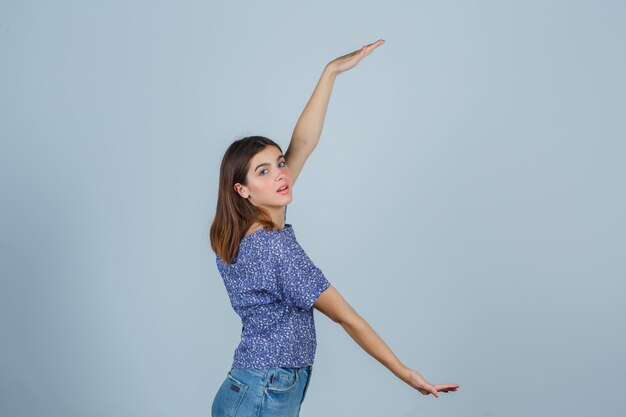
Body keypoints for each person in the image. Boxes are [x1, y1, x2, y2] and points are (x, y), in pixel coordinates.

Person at [209, 39, 459, 417]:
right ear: (242, 190)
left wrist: (331, 73)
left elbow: (303, 143)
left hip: (251, 387)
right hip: (264, 392)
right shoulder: (276, 249)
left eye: (279, 163)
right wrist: (405, 373)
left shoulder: (241, 234)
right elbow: (347, 317)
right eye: (264, 171)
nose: (281, 174)